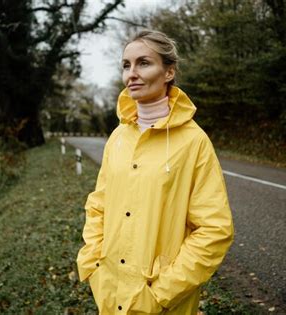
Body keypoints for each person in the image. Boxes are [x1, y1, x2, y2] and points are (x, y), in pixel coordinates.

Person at [76, 29, 234, 314]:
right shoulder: (118, 138)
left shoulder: (194, 142)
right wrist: (92, 265)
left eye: (143, 63)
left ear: (169, 72)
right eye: (126, 65)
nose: (132, 73)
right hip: (111, 294)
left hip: (164, 304)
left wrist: (161, 293)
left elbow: (214, 230)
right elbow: (98, 205)